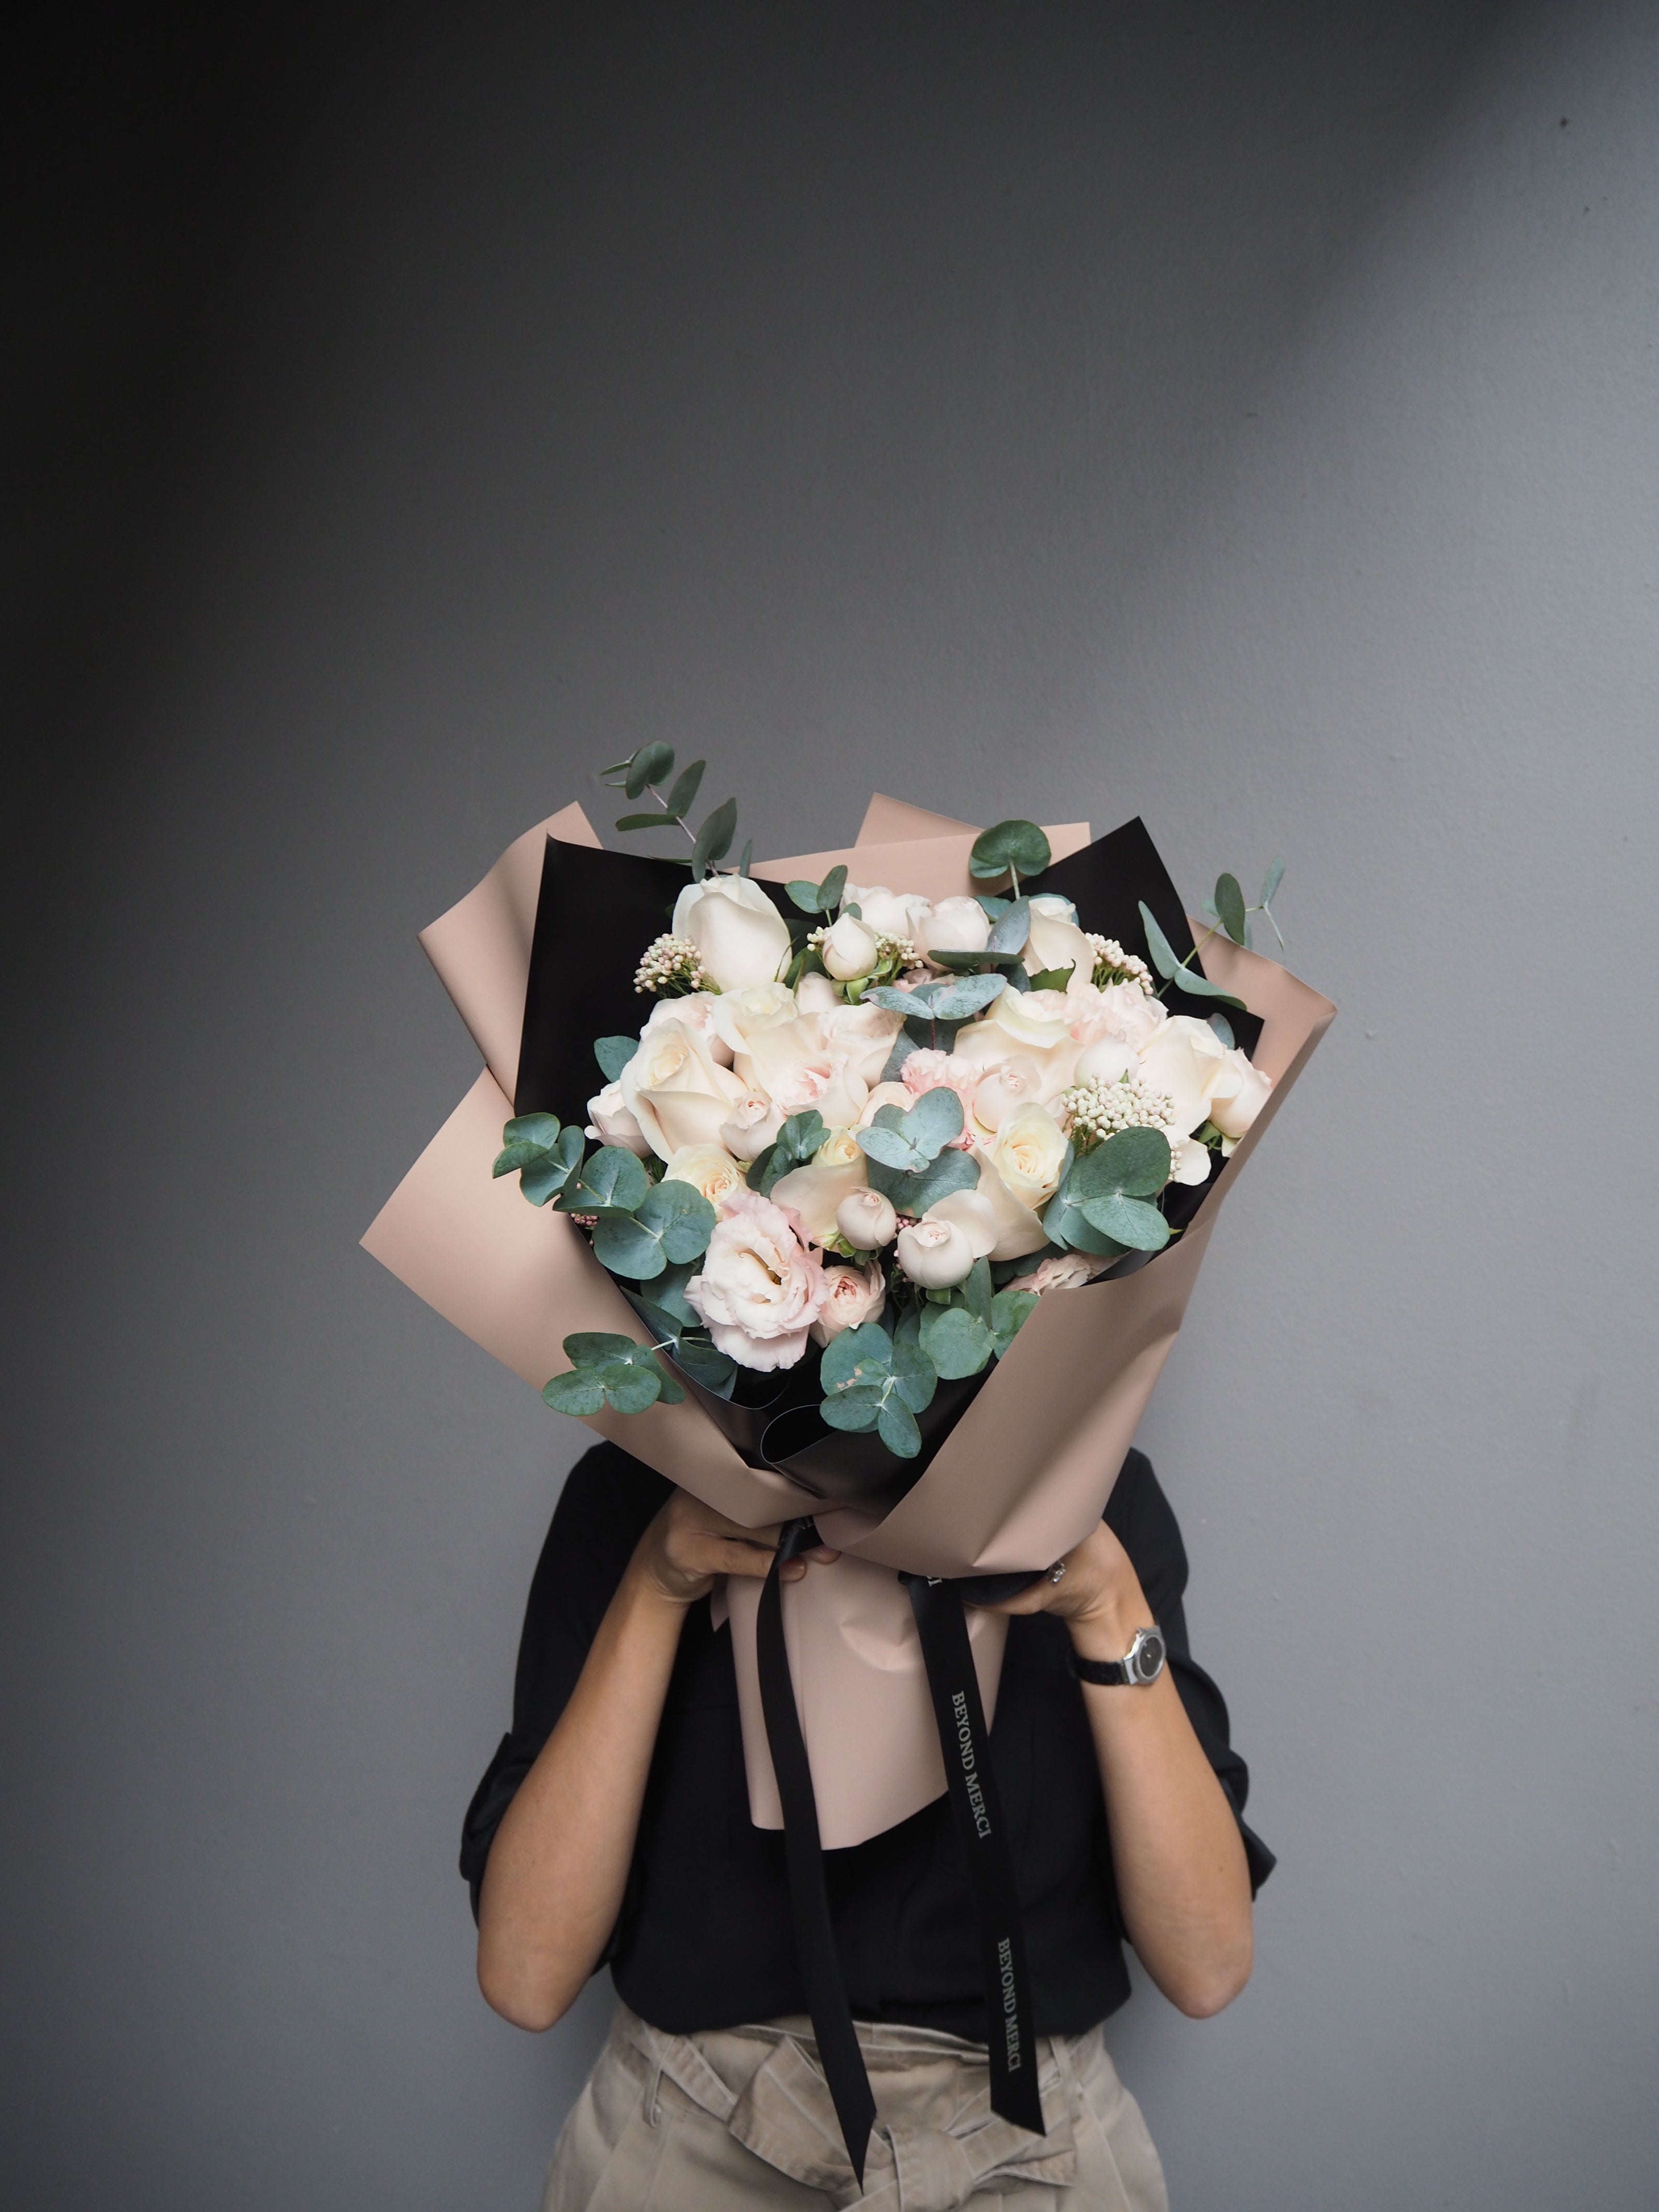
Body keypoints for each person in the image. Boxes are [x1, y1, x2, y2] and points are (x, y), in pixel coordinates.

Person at [462, 1441, 1271, 2210]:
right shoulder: (638, 1490)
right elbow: (527, 1975)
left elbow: (1205, 1965)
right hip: (690, 2124)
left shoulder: (1096, 1496)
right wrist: (656, 1582)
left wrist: (1107, 1607)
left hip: (1029, 2145)